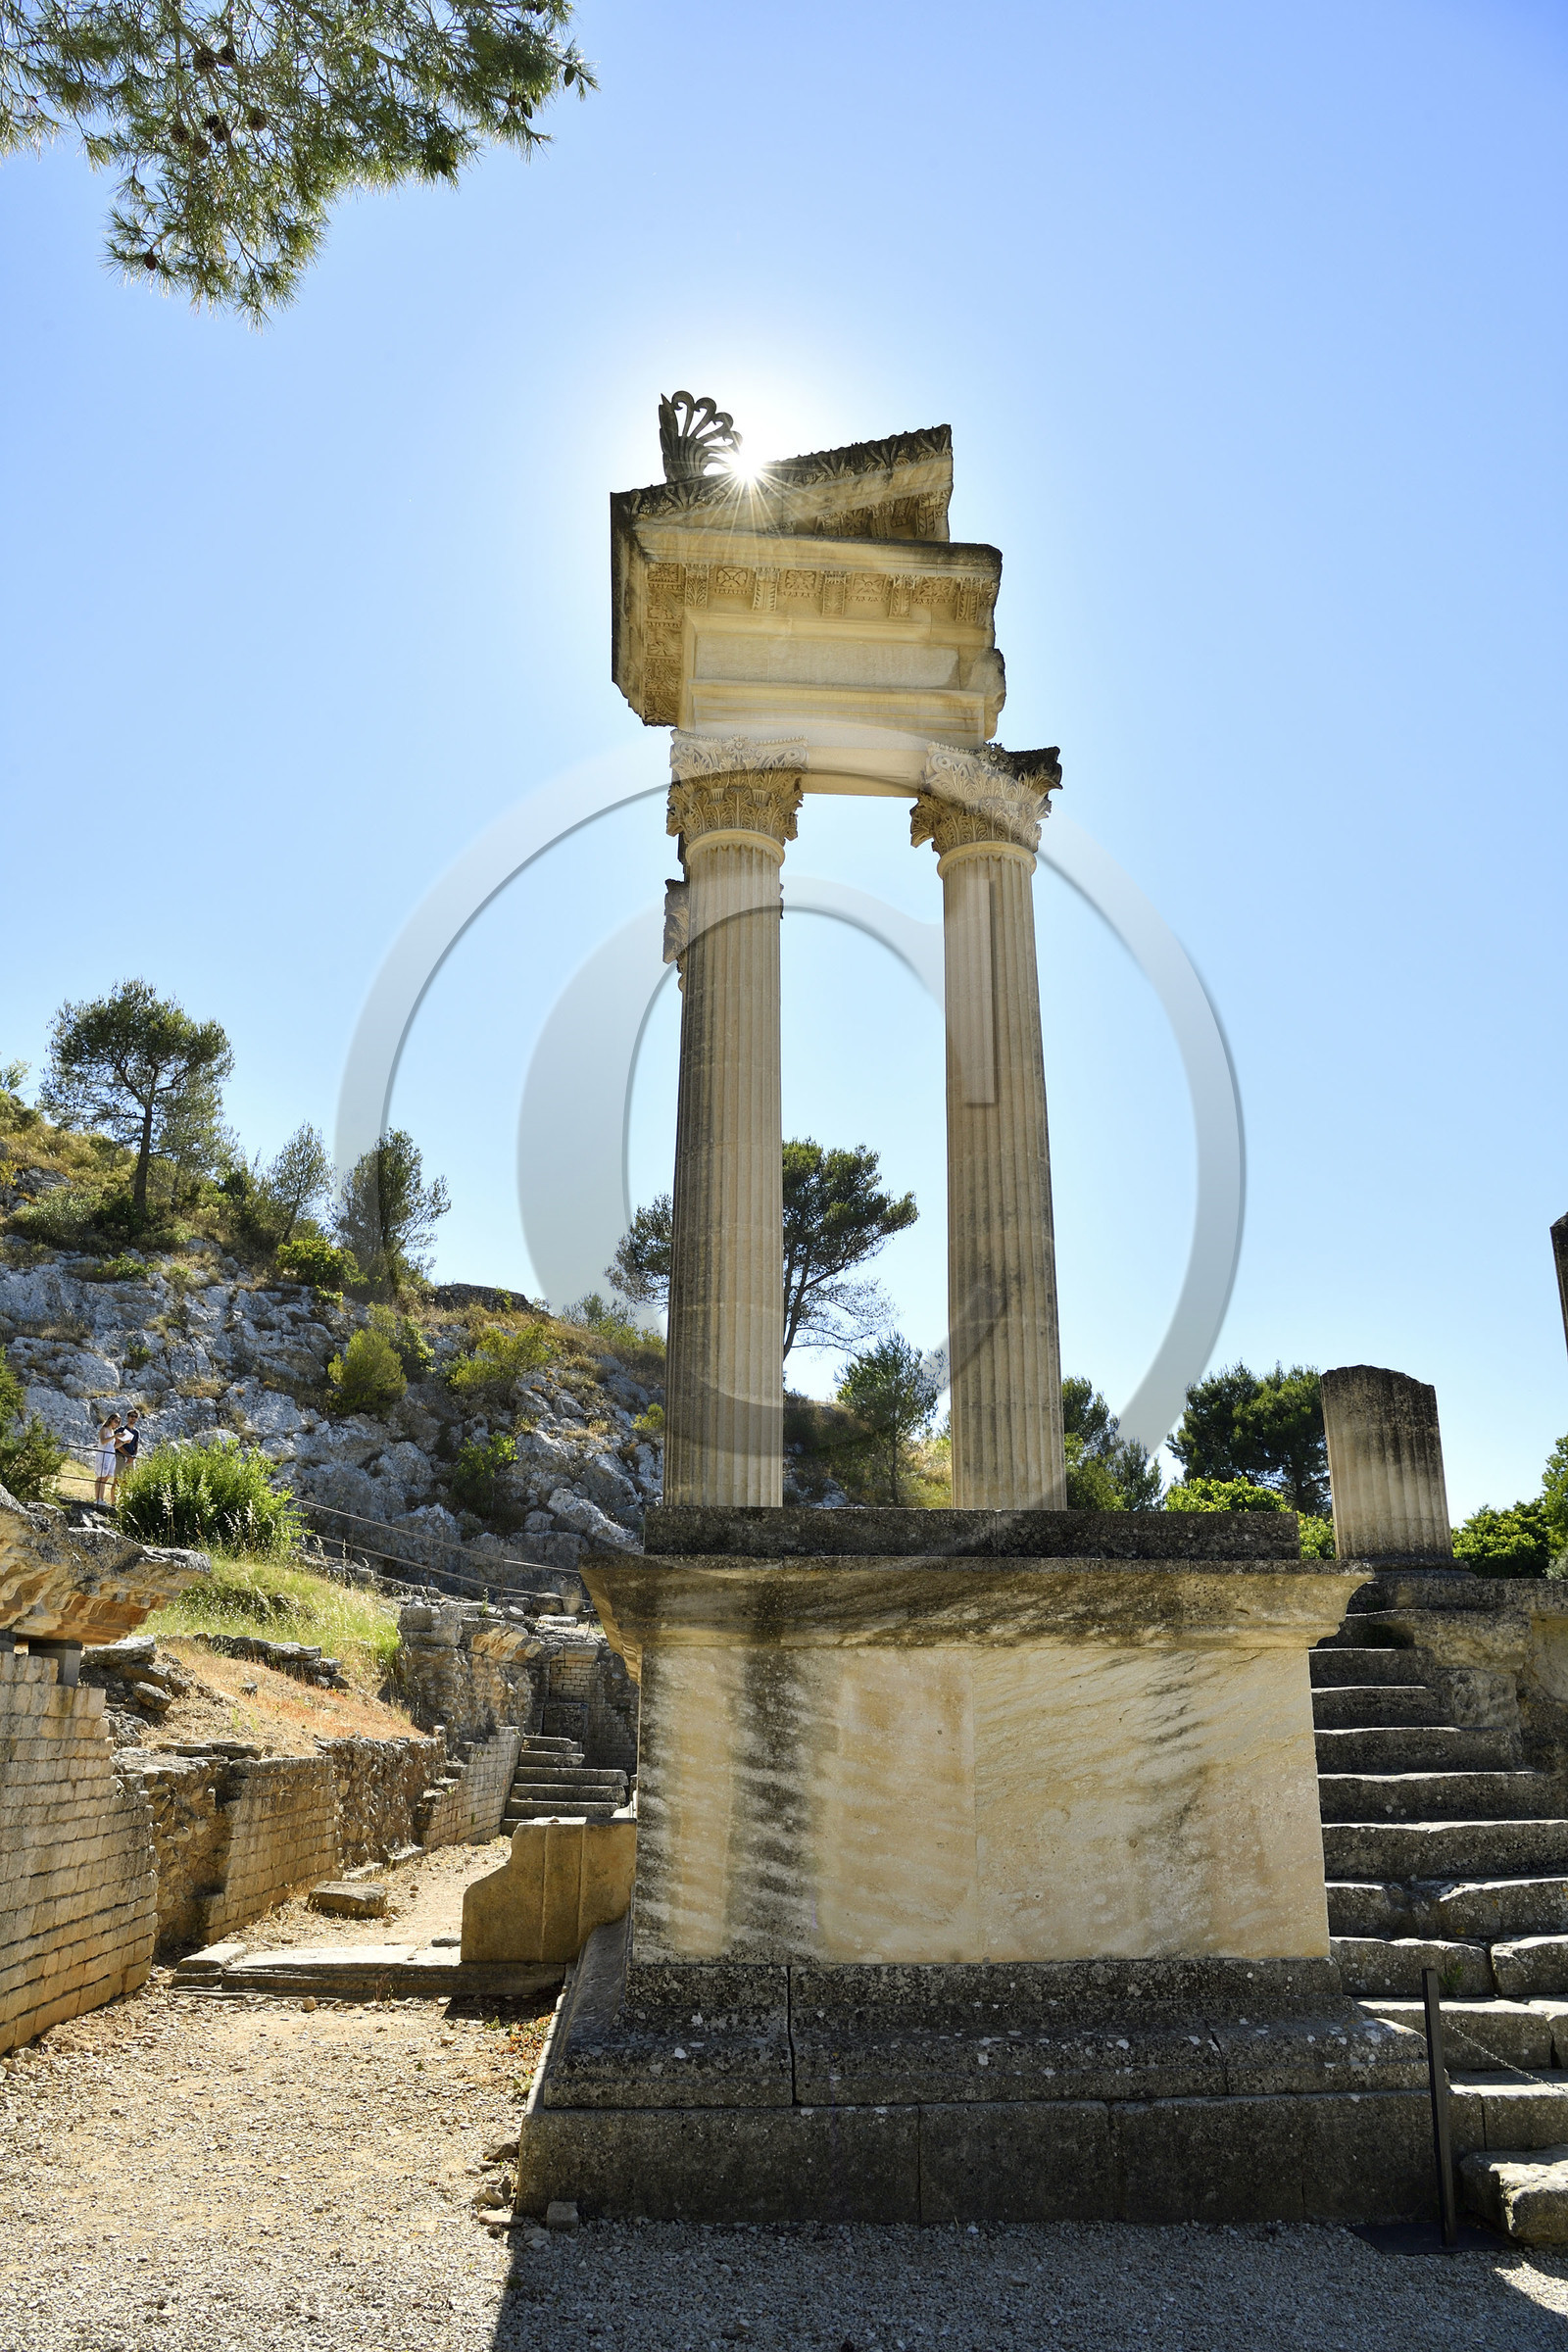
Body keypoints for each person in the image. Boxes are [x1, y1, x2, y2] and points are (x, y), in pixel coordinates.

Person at [113, 1410, 141, 1504]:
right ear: (128, 1417)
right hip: (120, 1457)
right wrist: (127, 1455)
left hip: (131, 1460)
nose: (133, 1418)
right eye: (131, 1416)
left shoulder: (136, 1432)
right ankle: (113, 1502)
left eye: (135, 1416)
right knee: (117, 1480)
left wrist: (133, 1456)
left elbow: (136, 1445)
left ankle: (123, 1502)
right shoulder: (121, 1430)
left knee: (127, 1481)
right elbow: (117, 1445)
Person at [93, 1412, 122, 1506]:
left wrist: (124, 1442)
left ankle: (101, 1498)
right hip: (103, 1455)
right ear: (111, 1420)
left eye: (118, 1422)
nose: (116, 1424)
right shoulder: (104, 1429)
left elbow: (112, 1446)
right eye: (115, 1421)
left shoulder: (112, 1431)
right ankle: (98, 1499)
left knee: (106, 1477)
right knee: (100, 1477)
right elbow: (103, 1441)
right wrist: (115, 1436)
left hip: (110, 1456)